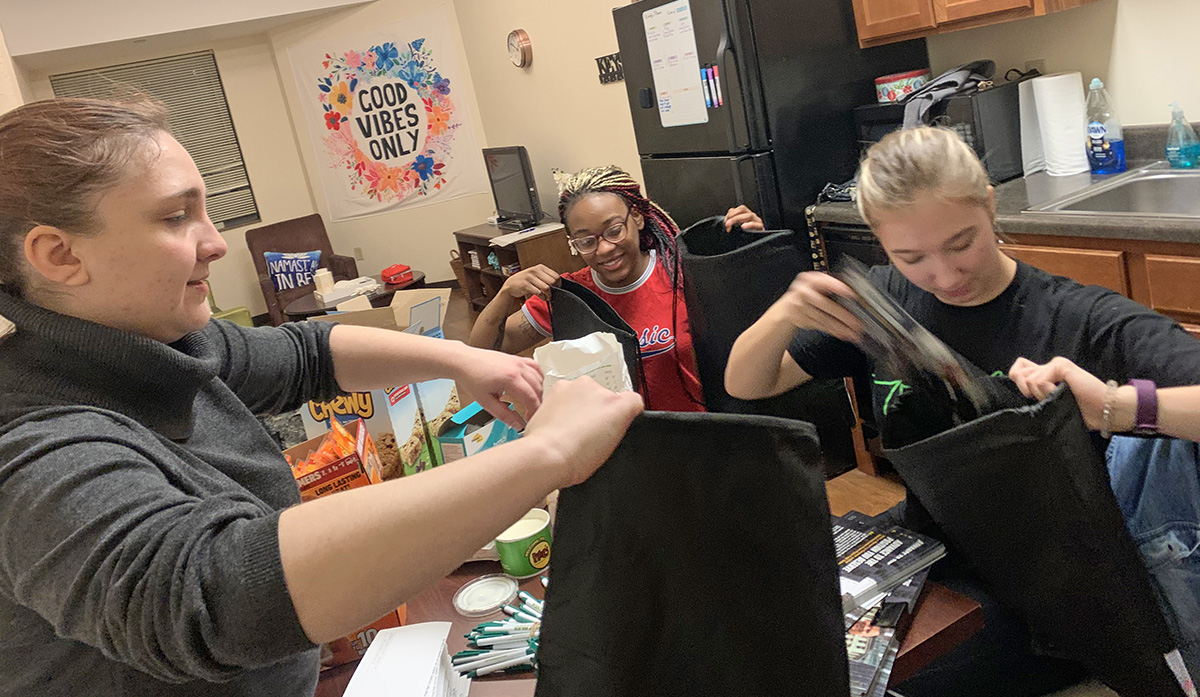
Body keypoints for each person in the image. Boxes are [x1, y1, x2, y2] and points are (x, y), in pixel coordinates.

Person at [0, 98, 643, 697]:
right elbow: (215, 595)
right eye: (175, 217)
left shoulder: (161, 342)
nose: (216, 242)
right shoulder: (34, 450)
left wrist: (463, 360)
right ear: (58, 255)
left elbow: (306, 355)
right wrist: (549, 452)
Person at [725, 126, 1200, 695]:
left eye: (961, 243)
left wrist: (1116, 407)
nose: (944, 276)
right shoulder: (881, 310)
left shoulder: (1074, 317)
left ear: (990, 207)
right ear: (879, 239)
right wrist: (783, 314)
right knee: (773, 633)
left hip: (1052, 594)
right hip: (929, 549)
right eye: (911, 257)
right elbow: (748, 384)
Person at [467, 164, 763, 412]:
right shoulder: (569, 297)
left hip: (697, 440)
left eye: (614, 230)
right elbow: (480, 356)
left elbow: (756, 322)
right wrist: (504, 296)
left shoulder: (682, 271)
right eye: (586, 240)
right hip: (614, 451)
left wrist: (753, 247)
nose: (605, 249)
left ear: (637, 217)